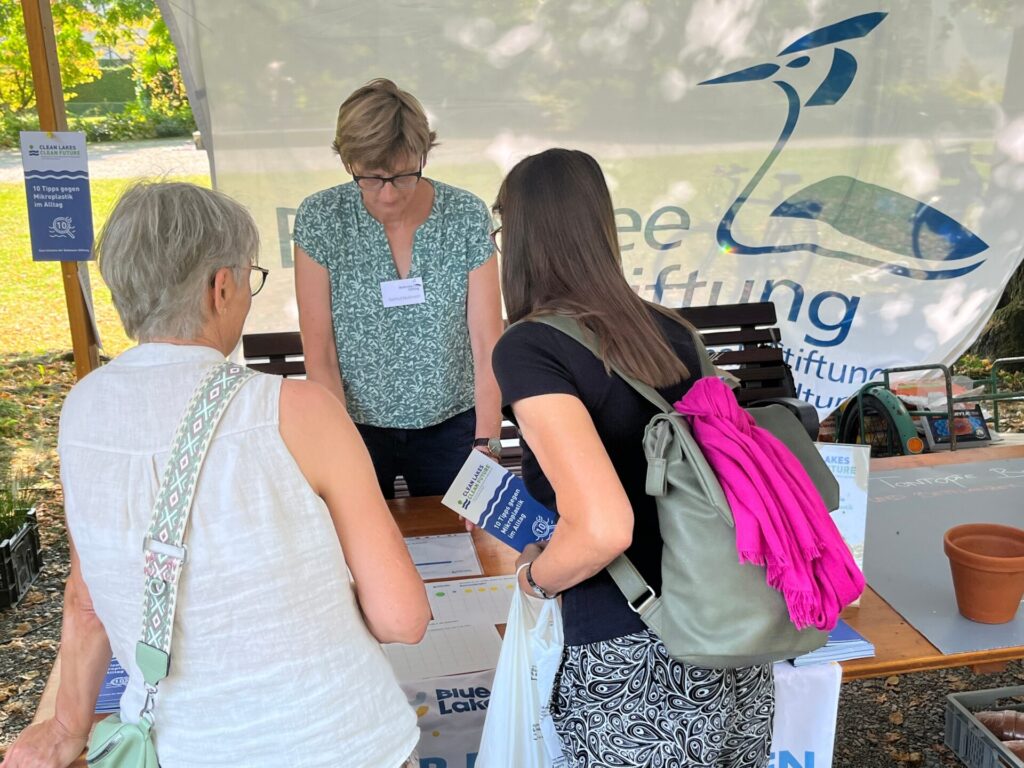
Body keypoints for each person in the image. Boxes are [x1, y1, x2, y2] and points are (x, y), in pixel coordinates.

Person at [0, 182, 430, 768]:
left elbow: (85, 602)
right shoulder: (298, 411)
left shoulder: (81, 410)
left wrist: (67, 726)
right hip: (339, 740)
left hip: (183, 750)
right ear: (220, 287)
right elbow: (402, 618)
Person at [491, 149, 775, 768]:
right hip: (727, 634)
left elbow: (601, 528)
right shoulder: (670, 332)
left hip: (631, 658)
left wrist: (535, 579)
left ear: (519, 240)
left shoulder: (530, 347)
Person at [293, 78, 504, 498]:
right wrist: (341, 449)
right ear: (347, 161)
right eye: (370, 177)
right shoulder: (321, 218)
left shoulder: (463, 214)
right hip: (356, 428)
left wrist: (488, 443)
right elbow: (321, 351)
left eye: (403, 175)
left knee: (473, 544)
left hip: (453, 425)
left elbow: (486, 341)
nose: (387, 193)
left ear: (423, 155)